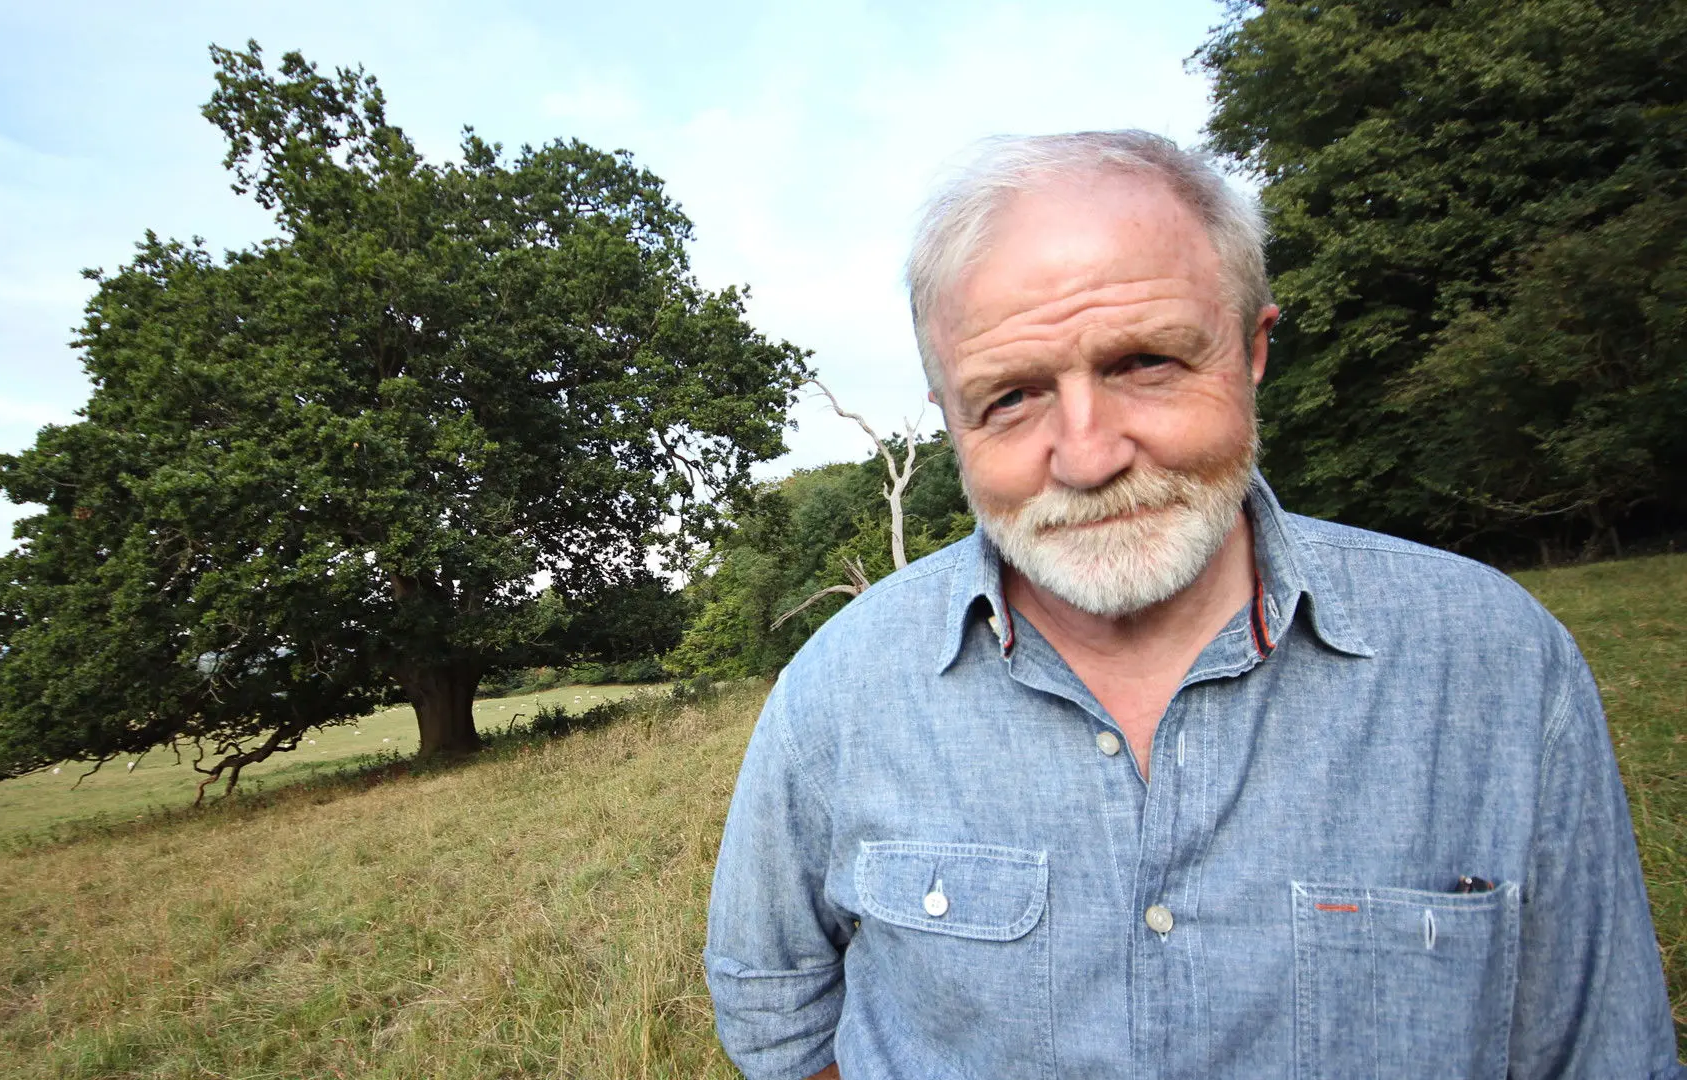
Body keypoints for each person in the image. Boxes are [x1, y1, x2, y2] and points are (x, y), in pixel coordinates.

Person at [703, 131, 1681, 1080]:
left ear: (1254, 349)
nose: (1087, 455)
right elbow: (778, 1014)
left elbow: (1596, 1048)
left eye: (1146, 364)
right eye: (1010, 396)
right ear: (952, 415)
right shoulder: (837, 690)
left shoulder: (1498, 667)